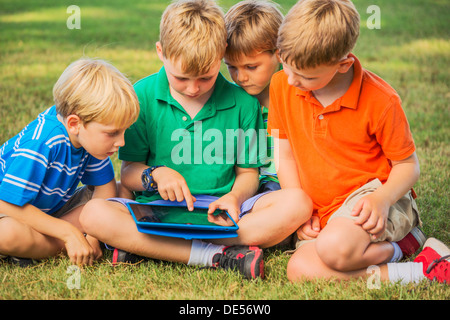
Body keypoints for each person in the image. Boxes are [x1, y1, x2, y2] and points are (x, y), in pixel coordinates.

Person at [80, 0, 312, 280]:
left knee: (297, 202)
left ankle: (148, 247)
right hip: (159, 210)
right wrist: (156, 175)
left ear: (221, 56)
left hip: (225, 213)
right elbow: (129, 171)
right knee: (93, 213)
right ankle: (214, 254)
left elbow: (249, 173)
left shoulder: (242, 104)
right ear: (161, 52)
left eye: (206, 77)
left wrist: (234, 198)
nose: (193, 88)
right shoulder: (140, 96)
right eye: (181, 78)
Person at [267, 0, 449, 284]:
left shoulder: (381, 101)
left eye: (305, 76)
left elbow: (408, 167)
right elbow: (285, 155)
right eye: (285, 65)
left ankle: (406, 239)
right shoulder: (281, 85)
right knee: (299, 269)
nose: (290, 81)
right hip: (326, 215)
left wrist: (381, 200)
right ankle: (415, 267)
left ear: (343, 65)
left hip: (374, 198)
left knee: (332, 249)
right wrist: (300, 212)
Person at [0, 58, 140, 267]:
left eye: (124, 131)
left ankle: (50, 245)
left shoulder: (88, 138)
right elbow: (8, 203)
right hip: (11, 212)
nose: (121, 142)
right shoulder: (42, 143)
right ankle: (58, 244)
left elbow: (105, 189)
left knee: (121, 191)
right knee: (7, 234)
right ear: (75, 123)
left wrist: (93, 236)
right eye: (112, 133)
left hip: (53, 210)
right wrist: (67, 232)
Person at [223, 0, 283, 194]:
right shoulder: (232, 102)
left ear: (279, 54)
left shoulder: (298, 97)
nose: (241, 77)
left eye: (251, 67)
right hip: (243, 191)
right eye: (231, 66)